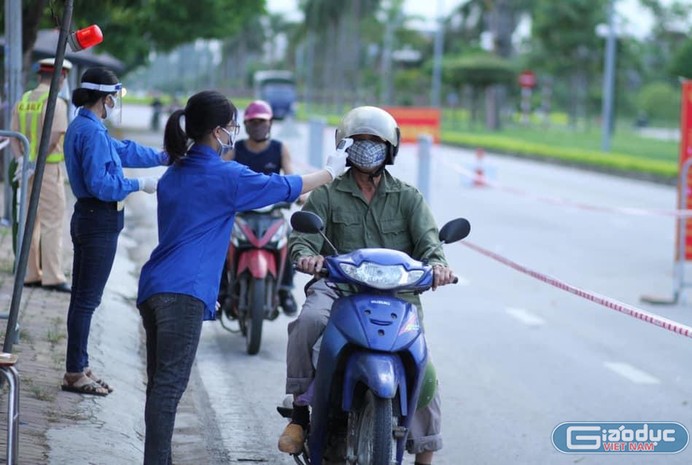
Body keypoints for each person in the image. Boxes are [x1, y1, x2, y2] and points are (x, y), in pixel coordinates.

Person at [136, 89, 350, 464]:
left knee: (159, 388)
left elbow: (188, 234)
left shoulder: (175, 172)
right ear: (218, 132)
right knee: (169, 390)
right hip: (182, 294)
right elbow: (284, 187)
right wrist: (331, 171)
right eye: (232, 126)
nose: (236, 132)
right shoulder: (225, 176)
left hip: (155, 286)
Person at [278, 106, 455, 465]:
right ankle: (299, 413)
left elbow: (430, 244)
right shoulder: (327, 193)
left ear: (390, 148)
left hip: (397, 296)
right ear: (344, 145)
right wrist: (307, 257)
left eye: (375, 141)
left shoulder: (408, 197)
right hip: (338, 290)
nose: (366, 147)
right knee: (309, 322)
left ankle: (425, 453)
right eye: (359, 141)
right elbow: (302, 238)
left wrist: (438, 267)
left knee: (422, 366)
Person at [61, 67, 166, 396]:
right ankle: (75, 372)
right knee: (86, 301)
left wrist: (167, 156)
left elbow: (127, 151)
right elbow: (100, 183)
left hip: (92, 218)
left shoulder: (88, 125)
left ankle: (80, 363)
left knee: (82, 299)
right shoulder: (90, 132)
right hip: (98, 218)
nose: (115, 104)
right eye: (114, 98)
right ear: (105, 98)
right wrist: (140, 184)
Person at [221, 99, 298, 316]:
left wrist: (300, 194)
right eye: (253, 122)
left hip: (273, 214)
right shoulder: (235, 149)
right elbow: (221, 175)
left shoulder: (280, 148)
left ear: (271, 123)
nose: (258, 126)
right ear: (245, 125)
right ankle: (221, 291)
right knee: (220, 242)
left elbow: (291, 175)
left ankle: (285, 291)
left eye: (262, 121)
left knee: (290, 240)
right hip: (241, 214)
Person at [10, 57, 73, 292]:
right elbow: (55, 136)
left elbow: (14, 136)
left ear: (39, 76)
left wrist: (21, 160)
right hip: (47, 170)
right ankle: (52, 277)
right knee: (52, 222)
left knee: (28, 222)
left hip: (25, 169)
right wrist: (37, 162)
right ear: (61, 77)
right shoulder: (56, 102)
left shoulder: (24, 100)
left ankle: (29, 274)